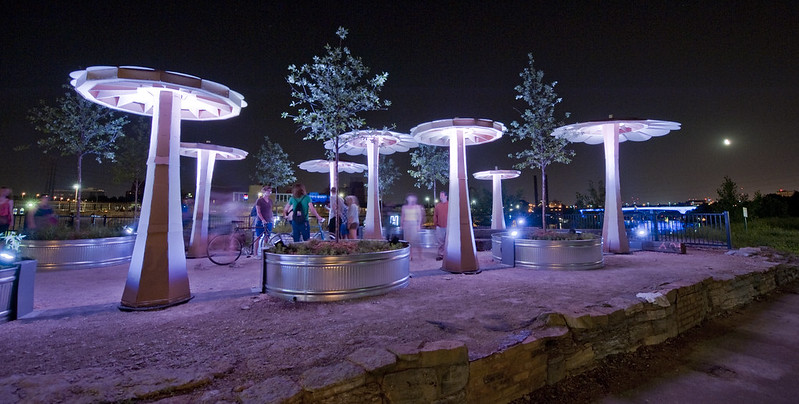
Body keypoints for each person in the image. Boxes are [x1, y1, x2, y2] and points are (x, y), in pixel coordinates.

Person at [401, 193, 424, 260]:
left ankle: (420, 256)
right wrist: (401, 224)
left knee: (416, 241)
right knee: (408, 241)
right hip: (406, 224)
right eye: (409, 198)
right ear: (407, 199)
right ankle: (410, 256)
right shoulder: (404, 207)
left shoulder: (417, 207)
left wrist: (418, 225)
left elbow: (420, 216)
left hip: (414, 224)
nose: (410, 199)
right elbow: (402, 216)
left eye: (412, 198)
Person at [253, 185, 273, 254]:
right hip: (260, 221)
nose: (269, 192)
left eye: (270, 191)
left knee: (267, 238)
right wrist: (262, 219)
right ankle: (255, 253)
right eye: (268, 191)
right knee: (258, 237)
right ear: (264, 191)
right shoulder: (259, 201)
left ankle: (264, 253)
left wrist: (272, 219)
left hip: (269, 221)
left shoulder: (270, 201)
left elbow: (270, 210)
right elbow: (258, 211)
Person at [433, 191, 448, 261]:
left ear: (446, 196)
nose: (440, 197)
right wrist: (436, 224)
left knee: (448, 241)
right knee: (440, 242)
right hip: (439, 226)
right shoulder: (438, 205)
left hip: (448, 226)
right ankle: (441, 255)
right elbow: (435, 215)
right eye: (440, 195)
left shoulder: (450, 204)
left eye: (442, 195)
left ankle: (448, 255)